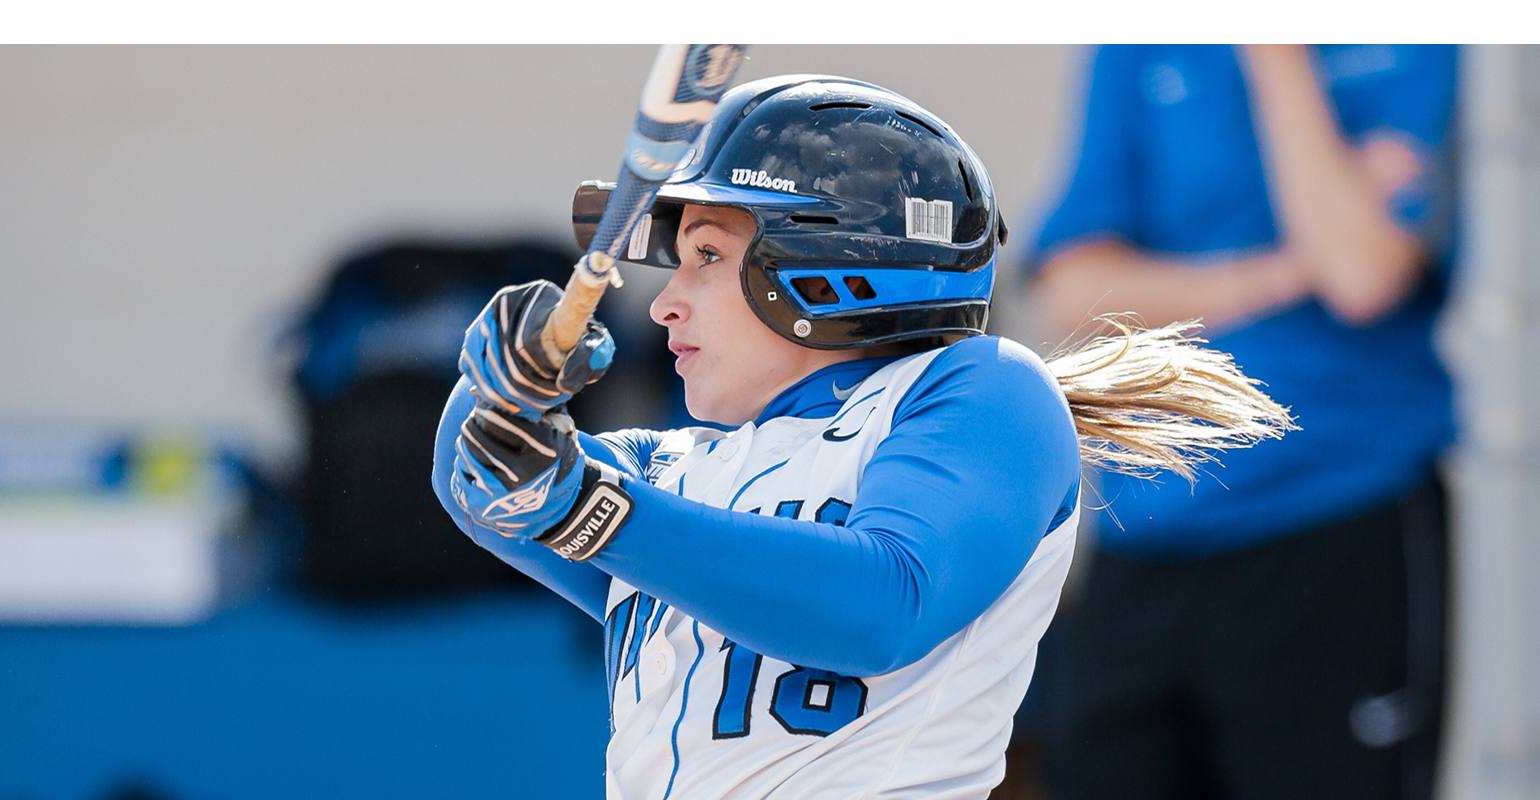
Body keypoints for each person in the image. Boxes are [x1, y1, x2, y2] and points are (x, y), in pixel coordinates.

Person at [431, 75, 1287, 799]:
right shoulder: (671, 466)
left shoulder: (977, 391)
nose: (664, 303)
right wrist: (506, 387)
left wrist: (595, 510)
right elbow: (473, 484)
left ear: (827, 265)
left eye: (705, 256)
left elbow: (886, 605)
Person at [1026, 45, 1457, 800]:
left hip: (1334, 519)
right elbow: (1076, 297)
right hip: (1145, 527)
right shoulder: (1138, 47)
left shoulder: (1418, 44)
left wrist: (1275, 54)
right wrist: (1288, 271)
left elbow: (1360, 274)